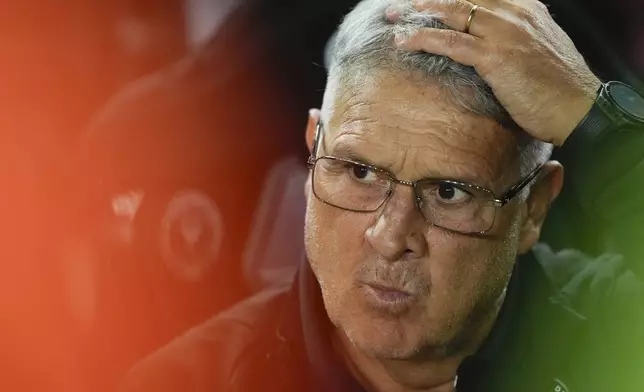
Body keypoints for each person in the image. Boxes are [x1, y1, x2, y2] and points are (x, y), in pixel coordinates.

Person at [117, 0, 644, 391]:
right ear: (312, 151)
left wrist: (595, 118)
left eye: (448, 192)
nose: (390, 236)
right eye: (361, 173)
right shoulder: (191, 381)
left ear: (533, 209)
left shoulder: (608, 336)